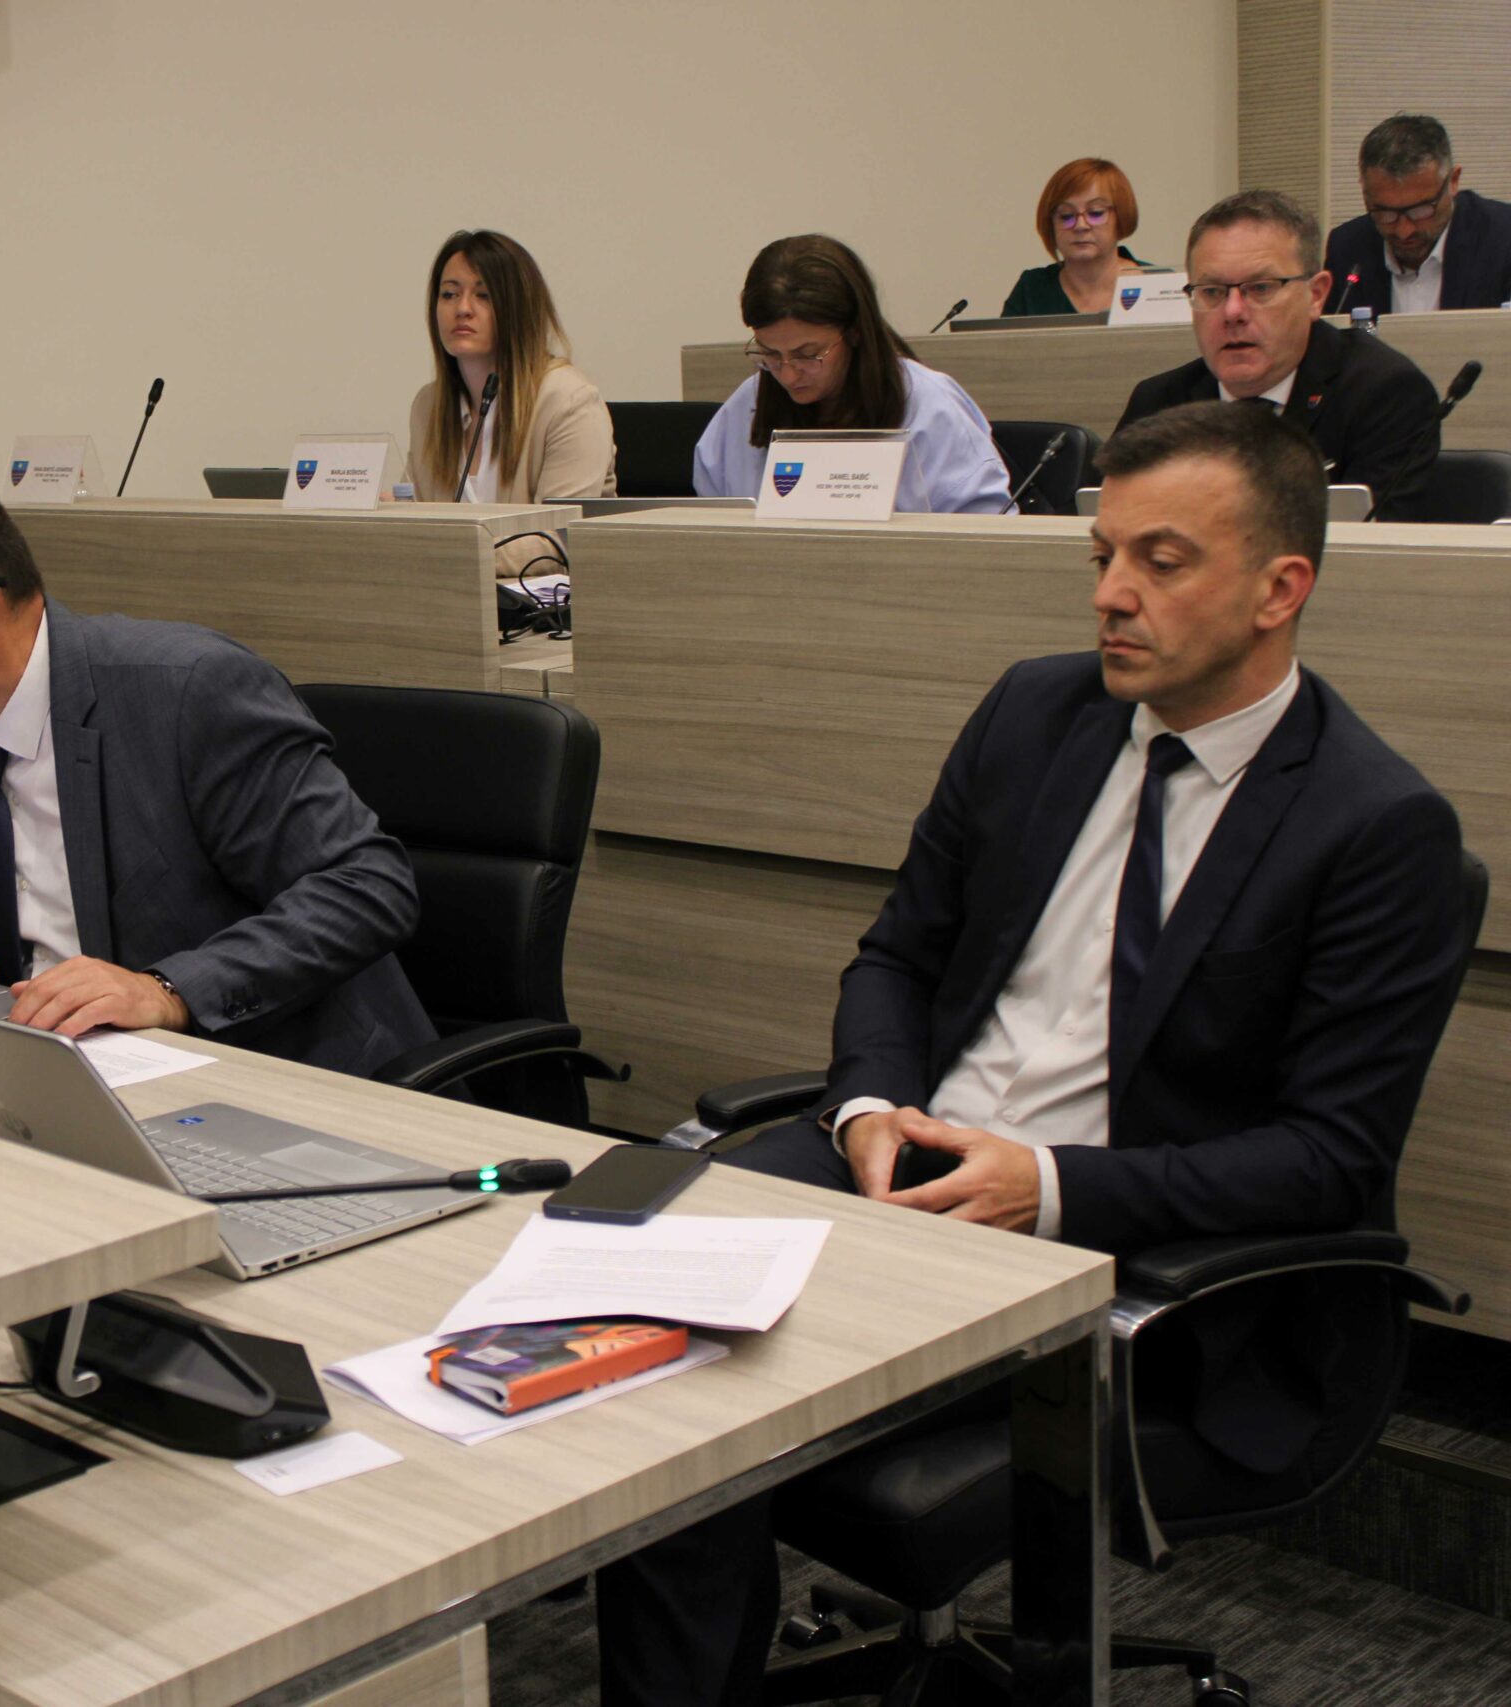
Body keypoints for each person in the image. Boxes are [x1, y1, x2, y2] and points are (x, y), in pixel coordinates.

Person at [597, 401, 1467, 1706]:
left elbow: (1327, 1159)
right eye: (1102, 554)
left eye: (1161, 562)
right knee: (601, 1303)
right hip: (901, 1166)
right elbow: (898, 955)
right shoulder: (1032, 712)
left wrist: (1044, 1186)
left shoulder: (1375, 826)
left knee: (685, 1416)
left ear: (1280, 588)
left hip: (1114, 1250)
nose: (1112, 593)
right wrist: (869, 1103)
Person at [0, 465, 433, 1078]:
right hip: (61, 1068)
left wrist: (169, 989)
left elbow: (367, 884)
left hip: (277, 1072)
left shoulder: (187, 693)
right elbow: (33, 905)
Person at [1116, 189, 1442, 520]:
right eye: (1212, 291)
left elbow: (1376, 545)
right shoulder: (1158, 405)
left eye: (1260, 288)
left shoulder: (1385, 395)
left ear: (1316, 295)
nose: (1232, 312)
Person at [693, 235, 1012, 513]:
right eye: (771, 354)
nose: (788, 376)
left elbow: (988, 537)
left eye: (808, 354)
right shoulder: (744, 407)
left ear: (855, 332)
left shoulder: (930, 407)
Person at [406, 228, 615, 575]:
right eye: (449, 294)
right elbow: (414, 517)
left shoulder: (569, 401)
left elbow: (559, 539)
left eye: (484, 295)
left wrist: (445, 555)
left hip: (546, 603)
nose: (463, 309)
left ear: (518, 308)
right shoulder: (428, 406)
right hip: (448, 596)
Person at [1323, 113, 1511, 316]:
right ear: (1365, 192)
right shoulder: (1347, 249)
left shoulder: (1503, 240)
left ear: (1453, 181)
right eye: (1385, 213)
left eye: (1420, 211)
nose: (1404, 231)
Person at [1001, 157, 1156, 316]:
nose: (1080, 225)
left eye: (1095, 213)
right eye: (1066, 216)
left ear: (1121, 217)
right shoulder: (1032, 289)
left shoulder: (1159, 284)